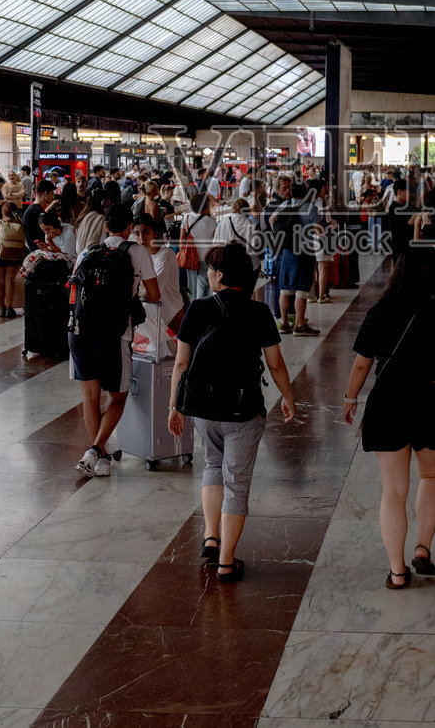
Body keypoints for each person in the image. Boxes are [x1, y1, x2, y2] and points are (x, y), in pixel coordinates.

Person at [342, 248, 435, 589]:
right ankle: (422, 548)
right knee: (432, 477)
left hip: (389, 401)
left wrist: (350, 397)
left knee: (393, 492)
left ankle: (397, 571)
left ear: (395, 272)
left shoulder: (381, 310)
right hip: (432, 399)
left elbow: (362, 362)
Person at [167, 242, 296, 582]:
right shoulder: (259, 312)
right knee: (237, 484)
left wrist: (174, 406)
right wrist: (288, 396)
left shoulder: (196, 309)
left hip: (203, 408)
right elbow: (276, 363)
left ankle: (212, 537)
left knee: (212, 465)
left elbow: (181, 362)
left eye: (210, 270)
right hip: (244, 411)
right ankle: (226, 561)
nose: (207, 275)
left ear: (220, 275)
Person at [69, 204, 160, 477]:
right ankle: (96, 450)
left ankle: (103, 458)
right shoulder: (138, 252)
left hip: (79, 331)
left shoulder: (87, 252)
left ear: (106, 227)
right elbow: (154, 295)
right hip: (115, 334)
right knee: (118, 397)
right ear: (129, 228)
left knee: (90, 396)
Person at [270, 181, 318, 336]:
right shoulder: (311, 208)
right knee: (301, 290)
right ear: (305, 192)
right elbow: (318, 229)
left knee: (285, 288)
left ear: (291, 191)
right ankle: (300, 324)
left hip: (288, 251)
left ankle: (284, 323)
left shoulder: (284, 205)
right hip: (305, 252)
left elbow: (272, 220)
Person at [136, 212, 184, 335]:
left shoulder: (166, 255)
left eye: (146, 232)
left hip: (172, 317)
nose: (141, 238)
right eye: (137, 233)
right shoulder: (138, 257)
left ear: (155, 233)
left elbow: (151, 292)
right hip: (152, 321)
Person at [0, 199, 27, 318]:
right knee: (10, 281)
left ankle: (1, 308)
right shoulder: (20, 224)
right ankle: (10, 308)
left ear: (3, 212)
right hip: (14, 255)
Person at [181, 192, 217, 302]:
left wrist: (184, 254)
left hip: (190, 257)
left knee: (191, 285)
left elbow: (182, 240)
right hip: (205, 258)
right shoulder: (212, 222)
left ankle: (193, 305)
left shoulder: (187, 219)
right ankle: (201, 307)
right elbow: (215, 242)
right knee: (204, 286)